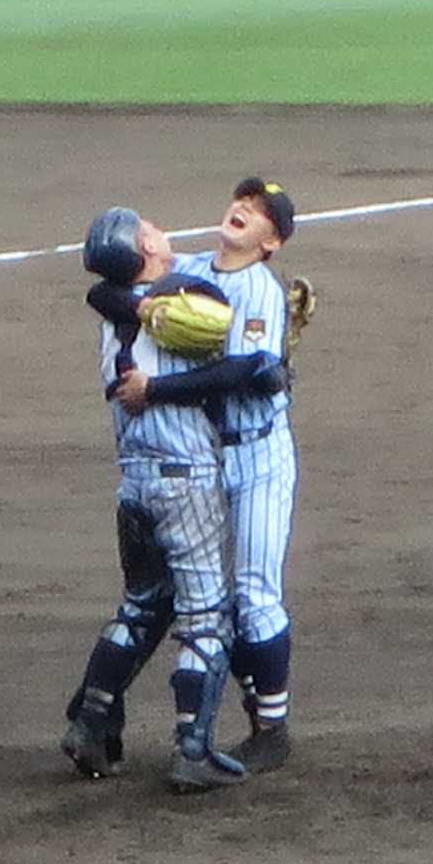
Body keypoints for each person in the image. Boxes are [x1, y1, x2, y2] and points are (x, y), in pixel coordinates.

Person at [60, 206, 288, 792]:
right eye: (149, 229)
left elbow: (108, 294)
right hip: (183, 480)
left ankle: (89, 720)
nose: (161, 229)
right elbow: (236, 356)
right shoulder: (183, 298)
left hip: (132, 480)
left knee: (142, 603)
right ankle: (193, 748)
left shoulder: (117, 310)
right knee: (207, 616)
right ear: (146, 251)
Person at [198, 180, 305, 774]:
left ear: (272, 242)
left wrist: (157, 387)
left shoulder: (260, 291)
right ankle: (246, 703)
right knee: (209, 599)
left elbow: (244, 373)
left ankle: (272, 730)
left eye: (262, 212)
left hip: (260, 457)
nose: (244, 209)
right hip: (207, 458)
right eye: (242, 200)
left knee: (256, 594)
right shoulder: (190, 266)